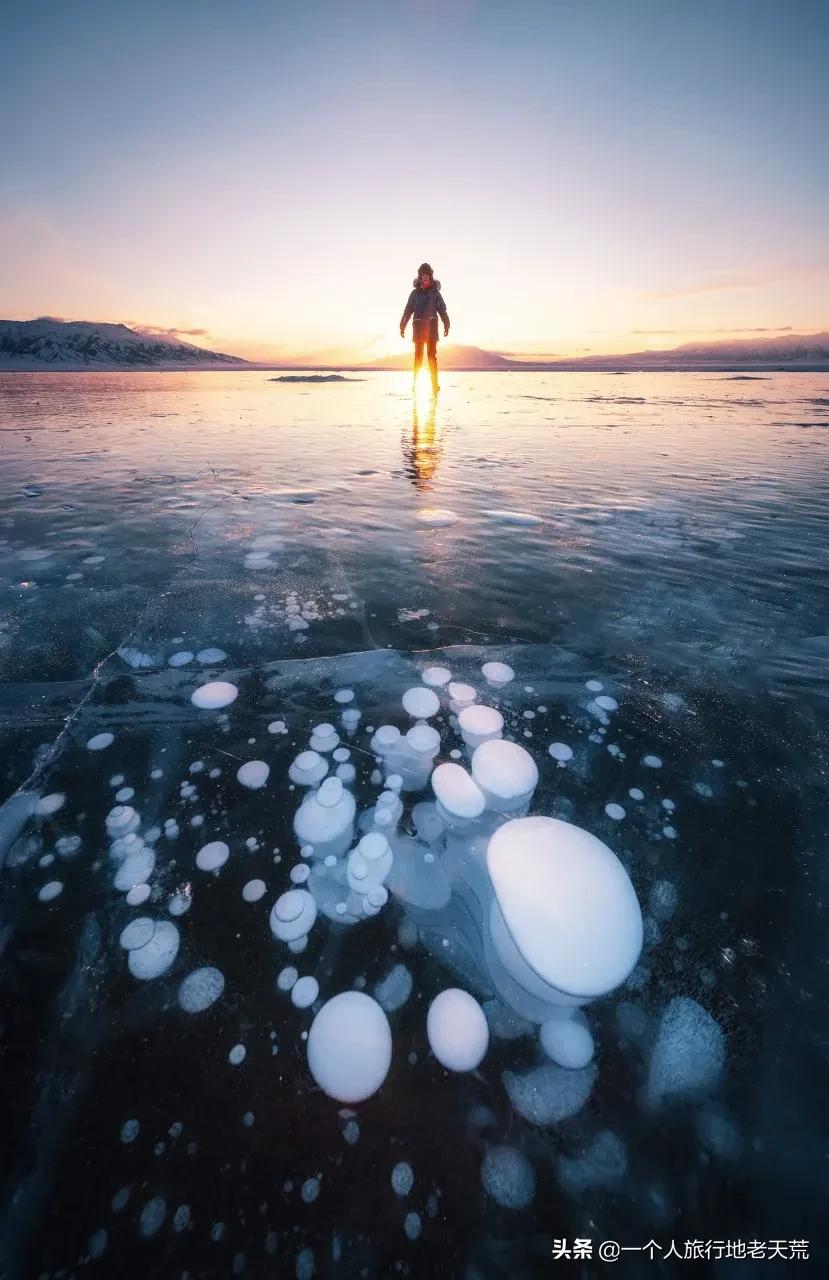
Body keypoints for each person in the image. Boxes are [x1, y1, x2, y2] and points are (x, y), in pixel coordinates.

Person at [399, 262, 449, 395]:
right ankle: (416, 385)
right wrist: (402, 325)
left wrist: (446, 323)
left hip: (431, 329)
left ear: (430, 276)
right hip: (419, 329)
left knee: (432, 357)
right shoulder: (415, 294)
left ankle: (434, 385)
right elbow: (408, 310)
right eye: (422, 275)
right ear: (420, 277)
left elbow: (442, 310)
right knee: (418, 357)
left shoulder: (435, 294)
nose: (425, 277)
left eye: (427, 274)